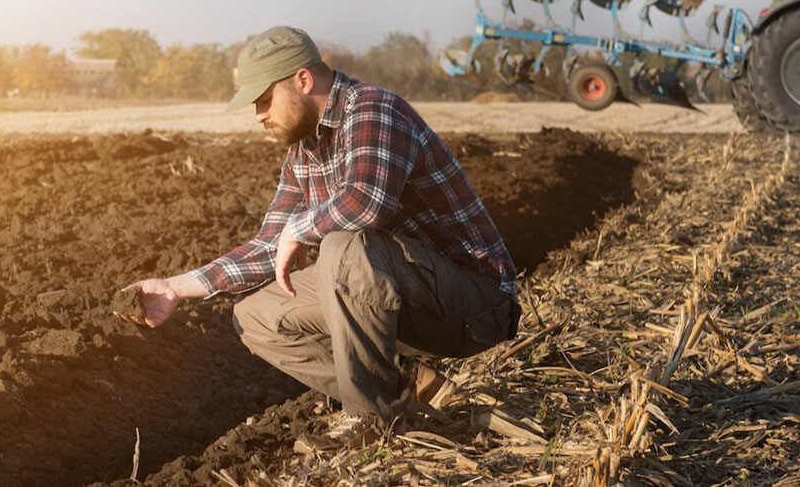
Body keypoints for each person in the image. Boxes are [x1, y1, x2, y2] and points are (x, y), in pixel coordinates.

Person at [117, 26, 520, 452]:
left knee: (342, 247)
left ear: (303, 80)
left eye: (263, 100)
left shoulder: (374, 110)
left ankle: (373, 421)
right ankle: (404, 392)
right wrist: (176, 287)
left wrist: (300, 228)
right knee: (256, 315)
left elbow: (366, 203)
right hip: (405, 299)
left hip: (474, 307)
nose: (258, 115)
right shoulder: (302, 154)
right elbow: (270, 245)